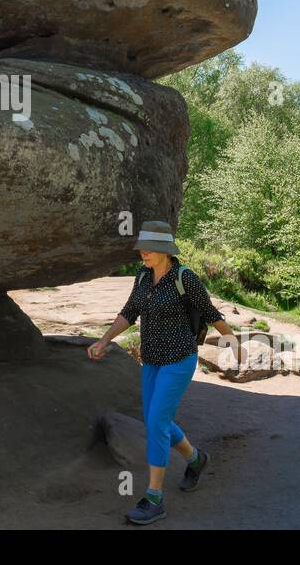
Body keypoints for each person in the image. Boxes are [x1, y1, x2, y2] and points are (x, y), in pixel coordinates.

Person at [88, 220, 241, 525]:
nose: (142, 253)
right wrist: (105, 339)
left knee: (157, 421)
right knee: (156, 419)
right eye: (142, 247)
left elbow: (211, 315)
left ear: (165, 250)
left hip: (179, 360)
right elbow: (129, 312)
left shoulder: (185, 278)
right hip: (153, 359)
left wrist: (234, 343)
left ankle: (154, 498)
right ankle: (196, 459)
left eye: (149, 248)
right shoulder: (143, 276)